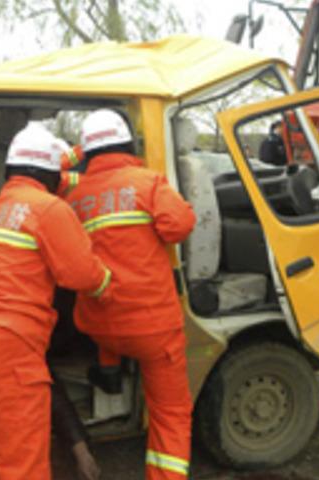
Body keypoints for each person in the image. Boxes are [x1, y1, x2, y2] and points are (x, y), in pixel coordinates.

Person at [0, 123, 114, 479]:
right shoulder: (49, 208)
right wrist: (108, 283)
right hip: (8, 348)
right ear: (50, 173)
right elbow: (81, 275)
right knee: (24, 469)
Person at [66, 109, 196, 480]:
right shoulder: (148, 183)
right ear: (128, 143)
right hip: (153, 327)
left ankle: (109, 367)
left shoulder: (76, 198)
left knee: (110, 309)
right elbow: (179, 227)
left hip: (99, 325)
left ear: (87, 152)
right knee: (170, 413)